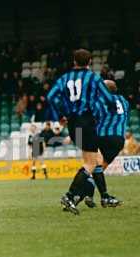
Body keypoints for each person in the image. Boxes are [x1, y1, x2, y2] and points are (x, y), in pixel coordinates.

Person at [47, 49, 115, 215]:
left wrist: (63, 112)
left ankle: (88, 195)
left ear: (74, 61)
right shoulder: (93, 77)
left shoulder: (65, 78)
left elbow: (51, 97)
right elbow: (108, 98)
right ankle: (70, 195)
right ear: (90, 61)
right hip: (87, 121)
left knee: (91, 160)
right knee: (91, 163)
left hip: (73, 123)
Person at [89, 80, 129, 208]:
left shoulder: (101, 101)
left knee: (93, 167)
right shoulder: (124, 101)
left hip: (103, 137)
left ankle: (77, 195)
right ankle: (99, 197)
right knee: (100, 168)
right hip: (119, 140)